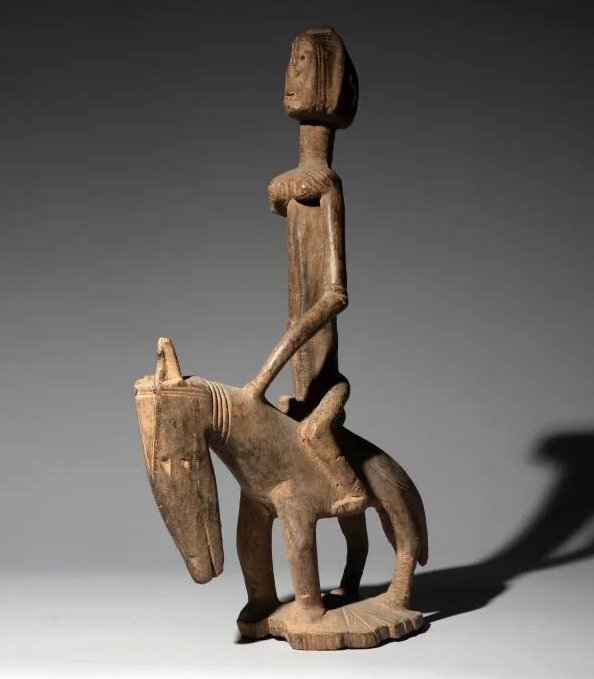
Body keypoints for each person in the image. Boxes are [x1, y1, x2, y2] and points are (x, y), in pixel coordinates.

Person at [245, 27, 367, 515]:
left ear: (329, 79)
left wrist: (276, 357)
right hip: (299, 379)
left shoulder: (325, 183)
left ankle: (353, 491)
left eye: (302, 63)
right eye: (290, 63)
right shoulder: (293, 184)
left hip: (326, 382)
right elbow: (281, 195)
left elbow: (336, 293)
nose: (290, 75)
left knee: (315, 432)